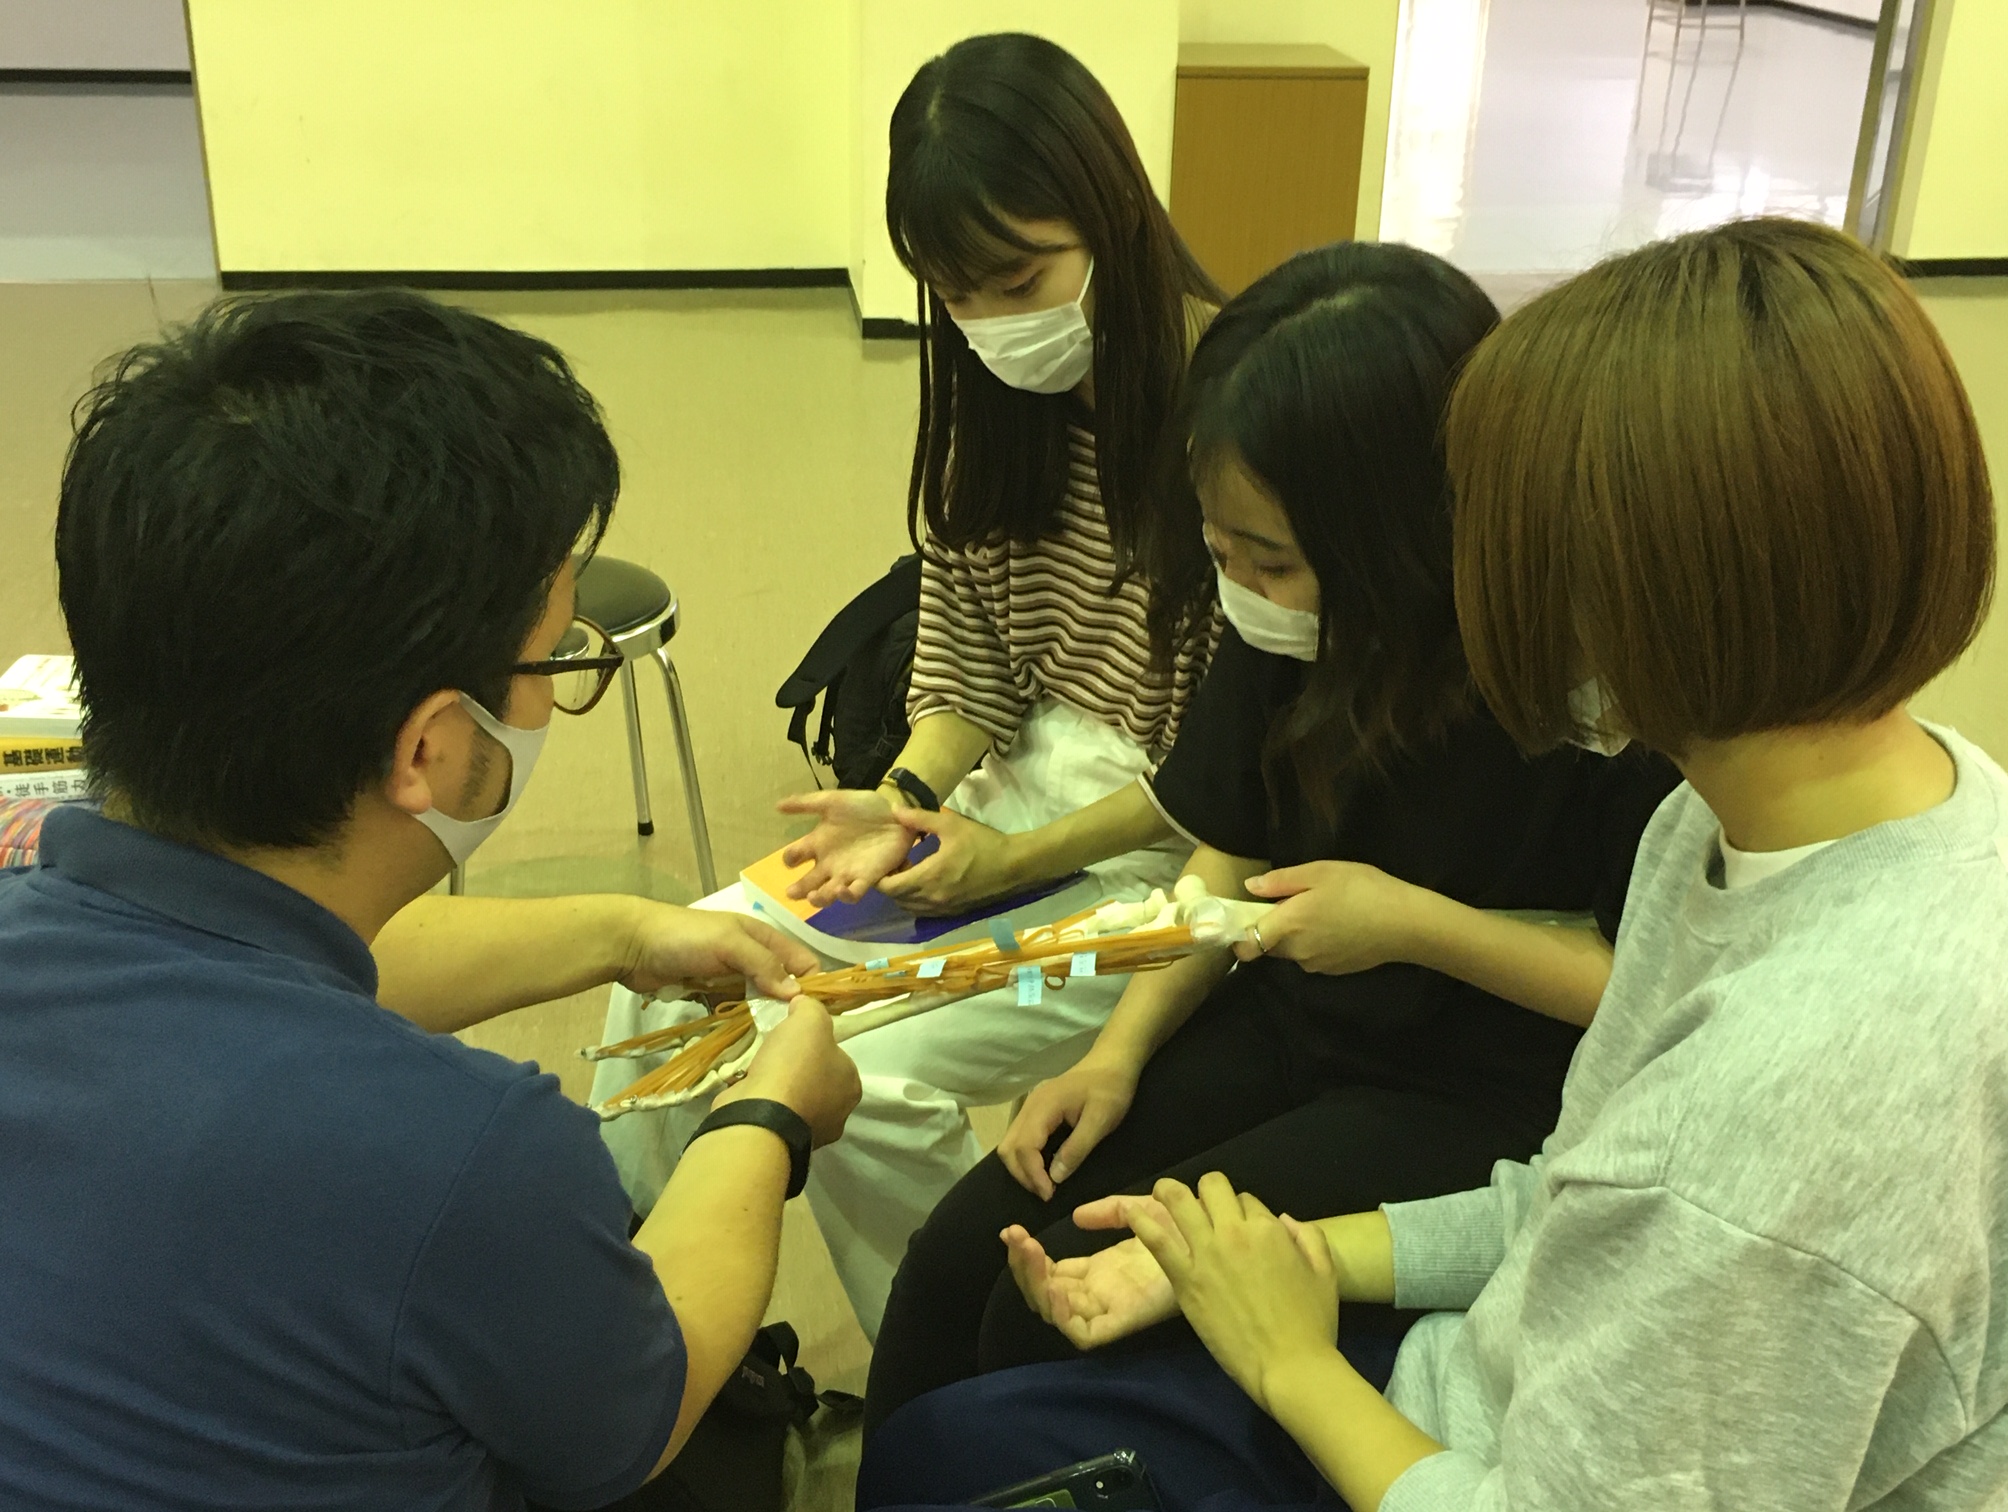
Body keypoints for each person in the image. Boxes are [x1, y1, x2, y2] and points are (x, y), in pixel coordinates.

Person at [855, 217, 2008, 1511]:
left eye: (1512, 547)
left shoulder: (1779, 1118)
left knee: (963, 1444)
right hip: (1471, 1354)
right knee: (978, 1329)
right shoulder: (1752, 822)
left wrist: (1288, 1356)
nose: (1490, 590)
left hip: (1463, 1404)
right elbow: (1561, 1206)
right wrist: (1289, 1254)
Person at [0, 290, 860, 1511]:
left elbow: (279, 977)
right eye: (554, 660)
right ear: (428, 748)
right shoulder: (469, 1157)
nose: (552, 698)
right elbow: (640, 1408)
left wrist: (621, 930)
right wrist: (767, 1120)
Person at [860, 241, 1679, 1429]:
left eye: (1273, 560)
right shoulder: (1285, 628)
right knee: (960, 1256)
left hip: (1475, 1095)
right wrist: (1115, 1055)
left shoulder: (1589, 691)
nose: (1239, 584)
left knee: (1047, 1316)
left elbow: (1648, 987)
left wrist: (1416, 928)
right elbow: (1228, 859)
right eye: (1219, 547)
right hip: (1297, 1020)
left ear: (1406, 533)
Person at [595, 32, 1224, 1338]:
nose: (993, 323)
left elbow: (1235, 780)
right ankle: (638, 1343)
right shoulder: (996, 407)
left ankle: (963, 1366)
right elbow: (968, 673)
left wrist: (1013, 857)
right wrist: (902, 798)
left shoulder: (1235, 408)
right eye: (956, 293)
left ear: (1113, 212)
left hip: (1166, 859)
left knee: (855, 1081)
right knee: (668, 974)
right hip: (1013, 804)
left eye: (1019, 280)